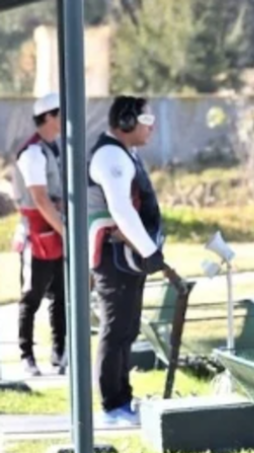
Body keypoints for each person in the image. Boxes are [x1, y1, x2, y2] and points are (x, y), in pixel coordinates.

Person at [86, 95, 166, 426]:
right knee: (115, 328)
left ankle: (123, 399)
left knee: (127, 328)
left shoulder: (123, 153)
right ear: (127, 121)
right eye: (146, 121)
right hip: (115, 255)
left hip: (127, 256)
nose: (151, 128)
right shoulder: (110, 155)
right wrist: (149, 251)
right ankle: (112, 405)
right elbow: (120, 208)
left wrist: (147, 249)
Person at [11, 92, 67, 376]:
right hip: (37, 234)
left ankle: (60, 353)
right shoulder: (33, 152)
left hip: (54, 229)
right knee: (31, 296)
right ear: (48, 116)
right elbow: (40, 199)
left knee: (60, 294)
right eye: (60, 113)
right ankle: (27, 356)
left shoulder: (53, 148)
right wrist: (66, 232)